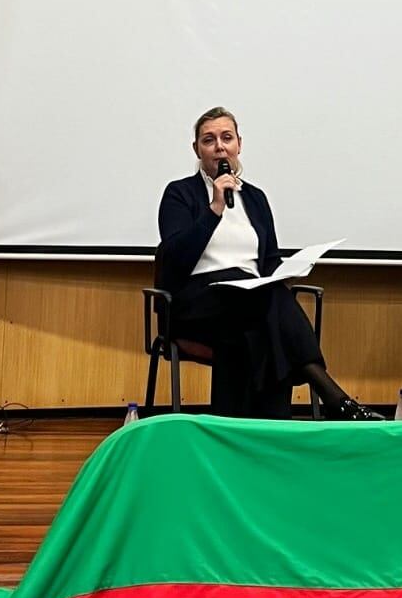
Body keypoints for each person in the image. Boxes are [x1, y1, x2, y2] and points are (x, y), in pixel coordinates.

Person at [156, 107, 383, 420]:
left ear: (239, 145)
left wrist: (289, 271)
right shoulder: (179, 194)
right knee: (267, 308)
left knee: (265, 306)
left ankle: (251, 427)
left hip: (249, 299)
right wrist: (215, 208)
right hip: (198, 301)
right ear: (197, 149)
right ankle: (331, 399)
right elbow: (175, 257)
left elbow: (270, 260)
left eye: (227, 138)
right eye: (209, 140)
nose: (219, 146)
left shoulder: (256, 198)